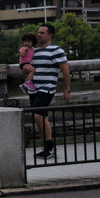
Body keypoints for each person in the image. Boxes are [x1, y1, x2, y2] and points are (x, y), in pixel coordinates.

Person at [28, 23, 71, 159]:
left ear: (50, 35)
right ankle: (47, 147)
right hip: (34, 88)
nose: (38, 35)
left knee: (38, 115)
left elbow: (65, 70)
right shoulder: (34, 51)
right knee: (42, 117)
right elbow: (27, 67)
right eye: (38, 32)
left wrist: (67, 90)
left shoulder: (56, 50)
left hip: (46, 88)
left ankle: (49, 145)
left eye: (42, 33)